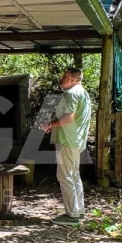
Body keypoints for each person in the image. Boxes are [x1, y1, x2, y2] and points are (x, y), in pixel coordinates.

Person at [43, 67, 91, 225]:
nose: (62, 78)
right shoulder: (83, 93)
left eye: (65, 76)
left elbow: (69, 118)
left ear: (73, 79)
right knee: (74, 175)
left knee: (65, 176)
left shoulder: (71, 94)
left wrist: (50, 124)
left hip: (67, 141)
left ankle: (72, 216)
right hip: (76, 141)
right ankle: (79, 211)